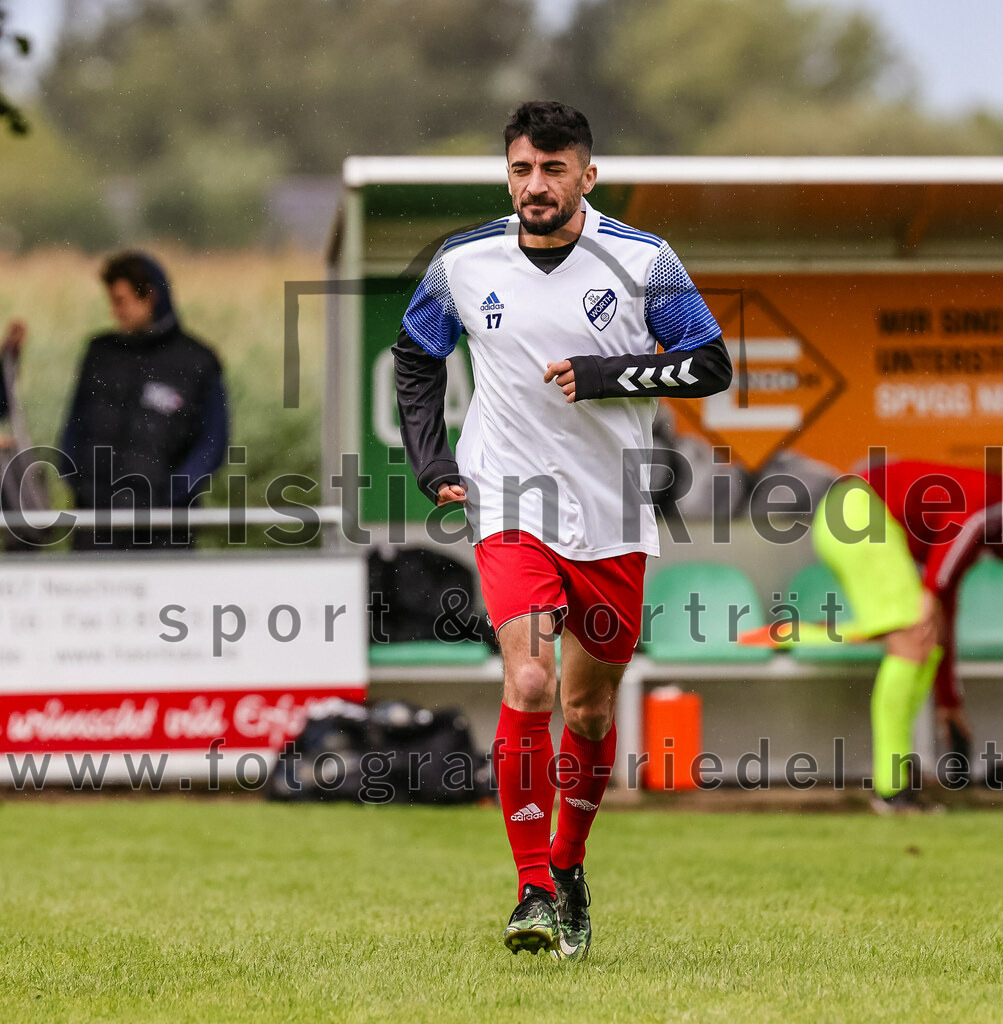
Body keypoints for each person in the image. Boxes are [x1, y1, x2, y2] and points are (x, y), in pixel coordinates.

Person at [393, 101, 732, 959]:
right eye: (520, 170)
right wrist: (433, 463)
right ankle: (531, 888)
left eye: (552, 169)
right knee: (532, 683)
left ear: (587, 174)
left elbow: (709, 361)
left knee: (586, 708)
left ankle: (569, 869)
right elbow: (414, 354)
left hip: (614, 509)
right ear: (506, 173)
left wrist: (606, 373)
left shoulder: (643, 259)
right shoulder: (464, 261)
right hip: (508, 497)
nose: (534, 185)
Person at [812, 458, 1002, 812]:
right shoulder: (993, 500)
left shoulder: (976, 538)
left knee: (924, 639)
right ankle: (891, 789)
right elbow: (964, 530)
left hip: (850, 514)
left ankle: (898, 775)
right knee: (912, 641)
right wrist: (930, 592)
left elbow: (944, 608)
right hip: (857, 512)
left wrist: (948, 700)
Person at [59, 252, 228, 550]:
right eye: (111, 301)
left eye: (121, 301)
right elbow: (73, 423)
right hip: (95, 523)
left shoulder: (198, 361)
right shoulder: (100, 353)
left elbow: (213, 443)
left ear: (149, 295)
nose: (115, 312)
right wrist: (76, 480)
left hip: (163, 528)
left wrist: (172, 495)